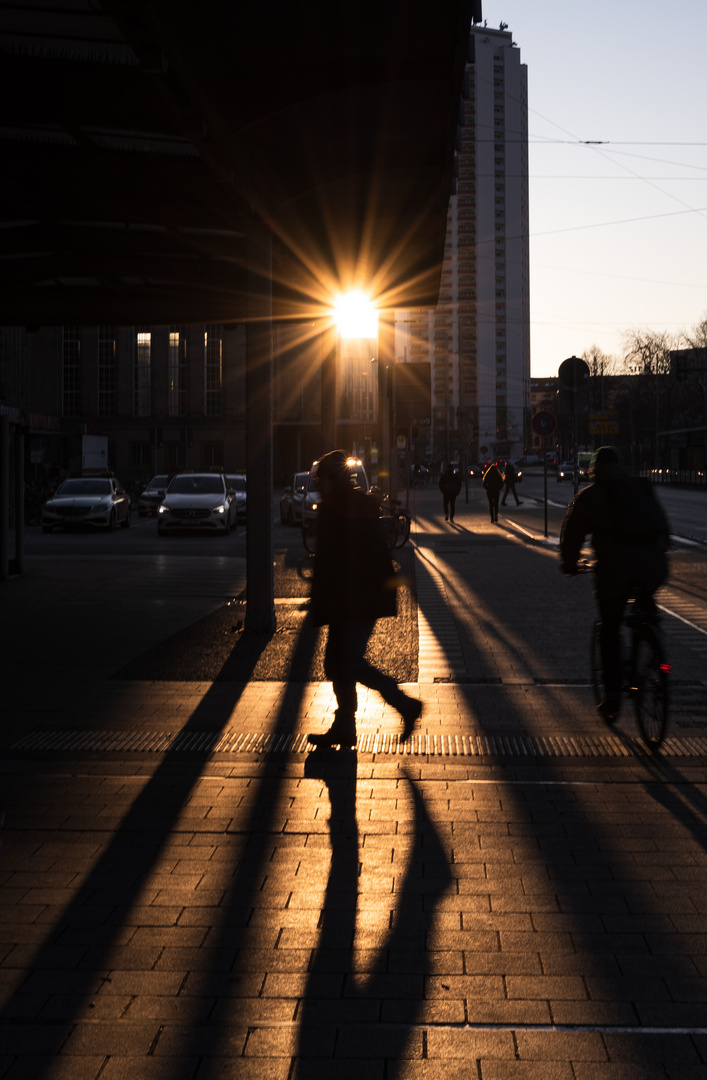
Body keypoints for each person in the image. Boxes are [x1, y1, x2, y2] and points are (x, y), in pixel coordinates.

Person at [308, 449, 422, 749]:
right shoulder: (350, 504)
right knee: (336, 663)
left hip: (355, 598)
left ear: (332, 480)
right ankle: (344, 726)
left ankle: (403, 704)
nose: (319, 485)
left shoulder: (339, 509)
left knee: (348, 662)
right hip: (357, 596)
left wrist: (321, 601)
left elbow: (334, 563)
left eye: (322, 480)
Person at [560, 446, 670, 721]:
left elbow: (572, 534)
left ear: (596, 469)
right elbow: (663, 527)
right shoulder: (641, 487)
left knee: (609, 628)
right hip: (654, 567)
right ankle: (656, 655)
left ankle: (612, 697)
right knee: (645, 607)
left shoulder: (591, 495)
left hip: (615, 571)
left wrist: (570, 564)